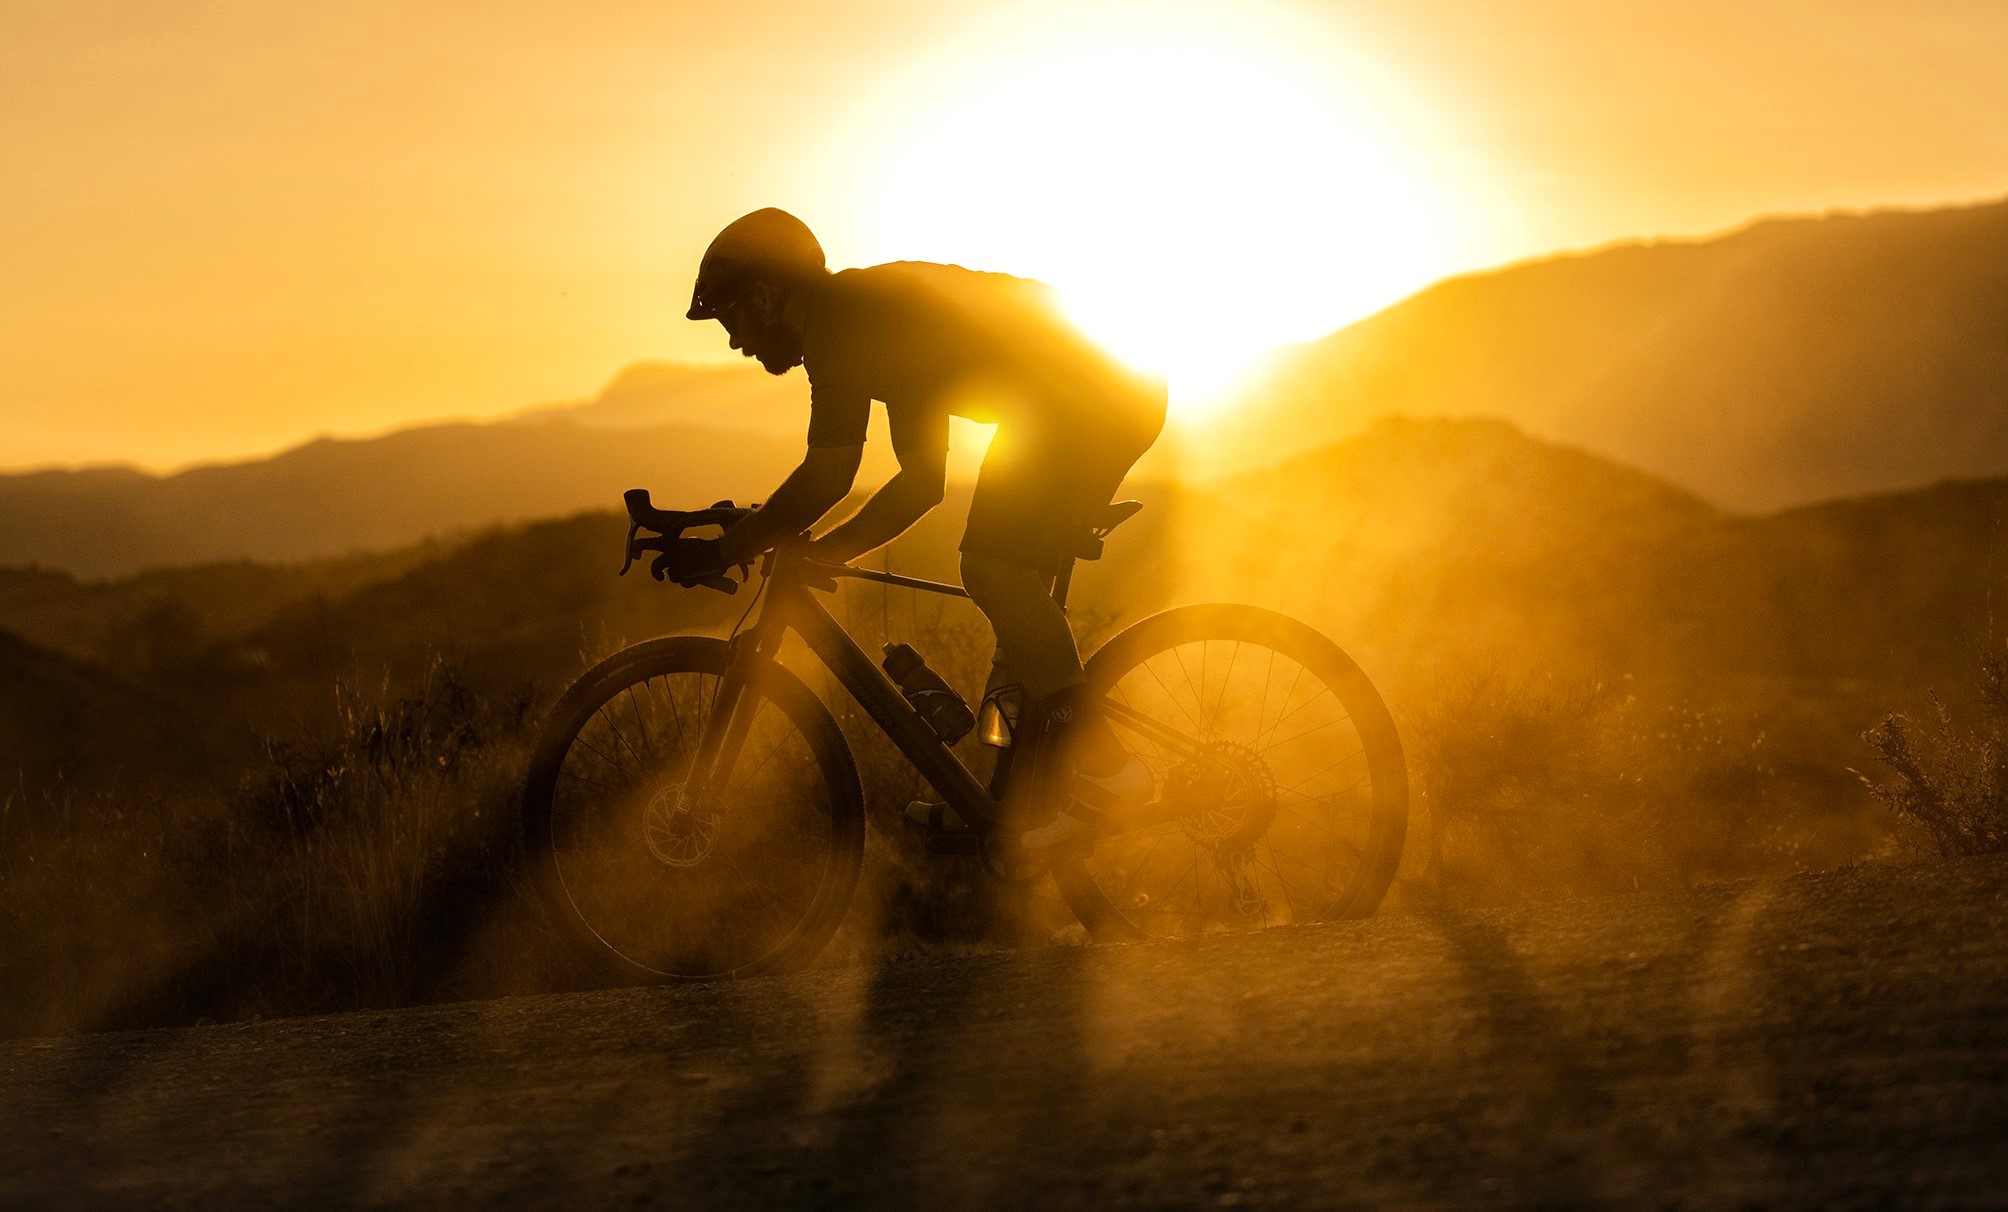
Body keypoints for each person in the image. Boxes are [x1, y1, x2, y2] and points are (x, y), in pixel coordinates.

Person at [666, 207, 1166, 849]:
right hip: (1088, 391)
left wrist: (732, 548)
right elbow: (921, 483)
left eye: (732, 317)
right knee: (1009, 593)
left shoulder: (842, 324)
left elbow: (828, 474)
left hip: (1092, 397)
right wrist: (828, 550)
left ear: (764, 295)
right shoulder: (877, 325)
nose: (736, 341)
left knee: (990, 567)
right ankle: (1014, 807)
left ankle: (1112, 776)